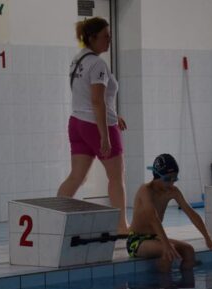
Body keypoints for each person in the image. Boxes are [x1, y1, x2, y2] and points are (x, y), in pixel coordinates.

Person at [58, 17, 129, 234]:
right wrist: (105, 136)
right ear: (92, 38)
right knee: (116, 177)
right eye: (105, 36)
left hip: (77, 123)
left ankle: (55, 218)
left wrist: (114, 114)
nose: (109, 40)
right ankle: (121, 226)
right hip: (96, 125)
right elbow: (97, 101)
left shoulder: (77, 60)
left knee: (76, 177)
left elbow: (89, 97)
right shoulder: (98, 64)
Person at [127, 154, 212, 272]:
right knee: (168, 251)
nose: (171, 183)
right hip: (136, 241)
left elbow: (192, 214)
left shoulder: (172, 191)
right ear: (157, 176)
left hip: (156, 237)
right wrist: (166, 245)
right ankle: (164, 283)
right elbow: (153, 218)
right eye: (167, 179)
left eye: (174, 179)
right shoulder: (145, 190)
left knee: (189, 250)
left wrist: (208, 238)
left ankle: (186, 282)